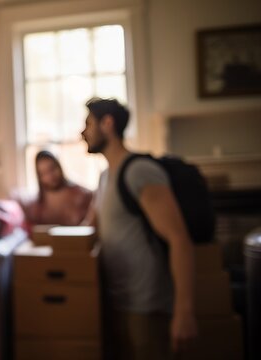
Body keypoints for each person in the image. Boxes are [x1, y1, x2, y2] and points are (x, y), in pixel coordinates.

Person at [81, 98, 197, 359]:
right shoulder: (104, 177)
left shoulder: (139, 171)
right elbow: (91, 230)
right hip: (118, 304)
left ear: (107, 124)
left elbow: (180, 240)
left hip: (148, 309)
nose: (83, 132)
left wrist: (184, 313)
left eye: (88, 123)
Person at [21, 150, 92, 226]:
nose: (50, 176)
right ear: (39, 177)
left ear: (59, 166)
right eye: (44, 173)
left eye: (52, 169)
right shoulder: (37, 205)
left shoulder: (82, 195)